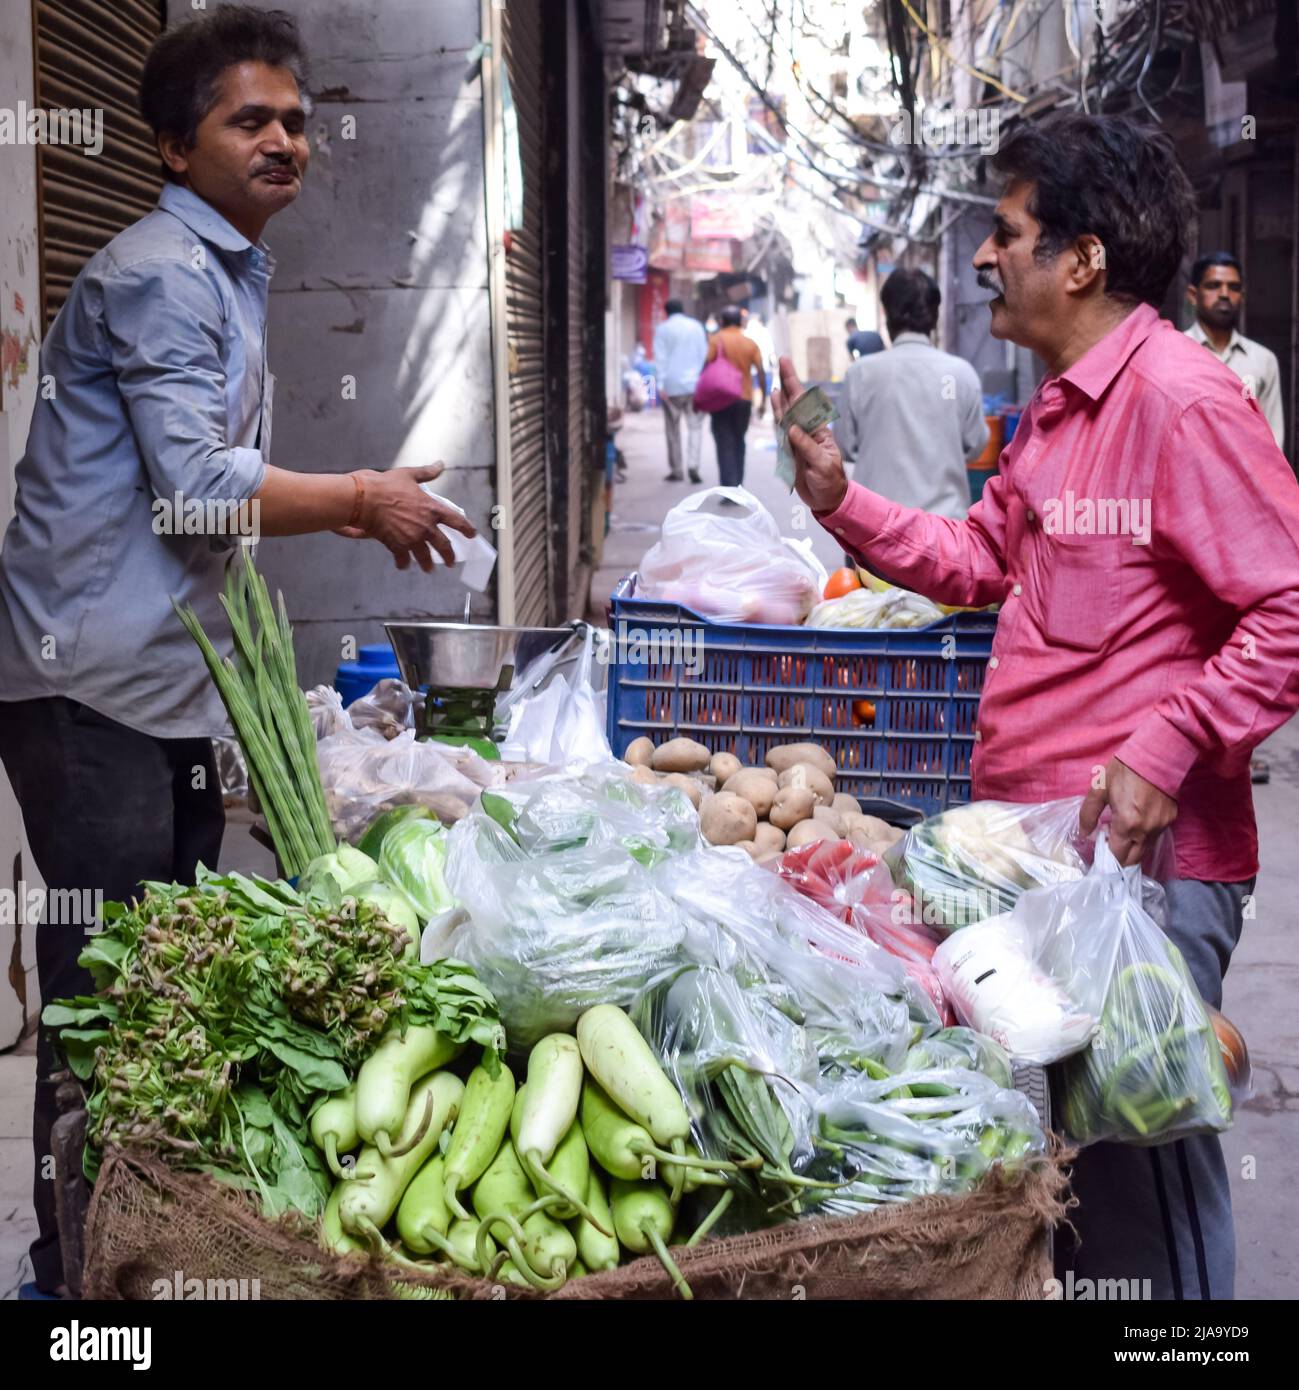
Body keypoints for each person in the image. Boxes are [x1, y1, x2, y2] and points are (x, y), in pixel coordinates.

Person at [776, 111, 1299, 1302]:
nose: (981, 258)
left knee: (1149, 1191)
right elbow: (975, 556)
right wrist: (843, 501)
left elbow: (1290, 606)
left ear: (1085, 258)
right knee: (1078, 1189)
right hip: (1038, 873)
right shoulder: (1059, 409)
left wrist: (1170, 741)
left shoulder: (1184, 402)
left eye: (1006, 234)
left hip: (1146, 884)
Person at [0, 5, 475, 1299]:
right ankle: (73, 1276)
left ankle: (140, 1249)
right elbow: (197, 491)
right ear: (170, 144)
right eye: (245, 119)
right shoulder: (160, 270)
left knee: (170, 978)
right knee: (107, 990)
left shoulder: (223, 272)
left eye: (294, 121)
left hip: (156, 684)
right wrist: (362, 497)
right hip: (87, 683)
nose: (282, 141)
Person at [835, 269, 988, 518]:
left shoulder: (860, 374)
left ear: (886, 315)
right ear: (935, 317)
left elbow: (845, 446)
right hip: (944, 532)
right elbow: (975, 446)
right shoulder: (961, 374)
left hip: (873, 528)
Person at [1184, 252, 1285, 449]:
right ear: (1193, 295)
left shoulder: (1263, 360)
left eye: (1234, 288)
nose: (1224, 294)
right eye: (1213, 285)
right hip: (1189, 475)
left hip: (1248, 476)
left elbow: (1273, 438)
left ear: (1242, 297)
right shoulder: (1175, 353)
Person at [704, 305, 766, 487]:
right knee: (739, 440)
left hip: (720, 399)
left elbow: (707, 366)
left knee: (724, 442)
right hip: (743, 400)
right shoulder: (750, 343)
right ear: (740, 321)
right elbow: (761, 372)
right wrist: (762, 400)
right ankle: (737, 484)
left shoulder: (716, 341)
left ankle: (728, 486)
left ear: (722, 322)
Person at [652, 299, 707, 483]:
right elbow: (704, 354)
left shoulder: (662, 329)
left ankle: (676, 470)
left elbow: (660, 359)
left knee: (672, 430)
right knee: (695, 427)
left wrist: (659, 385)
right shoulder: (696, 327)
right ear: (683, 310)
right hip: (695, 385)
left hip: (672, 386)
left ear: (666, 312)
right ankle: (693, 465)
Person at [742, 308, 777, 399]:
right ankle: (764, 410)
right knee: (766, 392)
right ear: (759, 321)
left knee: (755, 391)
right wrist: (775, 366)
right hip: (764, 368)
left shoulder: (745, 333)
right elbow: (771, 352)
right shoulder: (765, 332)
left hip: (749, 370)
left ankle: (757, 411)